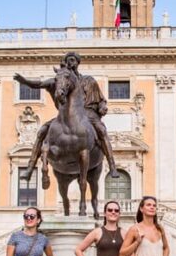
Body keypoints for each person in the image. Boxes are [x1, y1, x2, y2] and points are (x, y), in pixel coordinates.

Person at [13, 52, 119, 186]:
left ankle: (112, 166)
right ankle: (30, 167)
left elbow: (101, 99)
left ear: (78, 63)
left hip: (89, 114)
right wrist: (25, 81)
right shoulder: (61, 79)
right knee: (42, 131)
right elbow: (39, 84)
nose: (70, 63)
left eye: (73, 60)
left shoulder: (89, 80)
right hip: (66, 115)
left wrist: (103, 107)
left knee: (102, 131)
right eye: (68, 60)